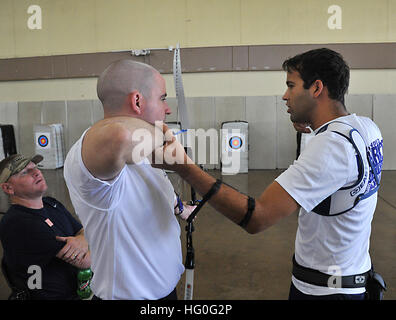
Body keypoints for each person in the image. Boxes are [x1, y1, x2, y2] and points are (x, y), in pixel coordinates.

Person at [155, 48, 384, 300]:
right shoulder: (365, 127)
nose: (285, 96)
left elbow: (257, 217)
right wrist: (314, 123)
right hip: (354, 278)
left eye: (291, 86)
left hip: (325, 292)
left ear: (317, 88)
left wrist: (185, 167)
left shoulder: (329, 147)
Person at [63, 59, 195, 300]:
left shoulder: (141, 146)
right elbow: (118, 135)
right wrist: (166, 135)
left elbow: (150, 188)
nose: (168, 110)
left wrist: (180, 207)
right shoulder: (95, 152)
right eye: (163, 98)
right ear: (137, 101)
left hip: (165, 291)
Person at [0, 154, 91, 300]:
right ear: (8, 188)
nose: (37, 172)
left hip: (77, 290)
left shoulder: (51, 204)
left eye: (35, 167)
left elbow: (82, 230)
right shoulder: (18, 223)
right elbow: (85, 261)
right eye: (25, 172)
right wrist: (89, 240)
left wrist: (82, 239)